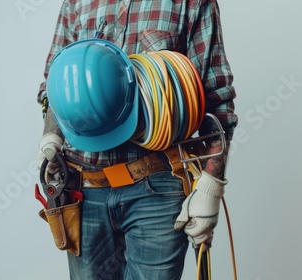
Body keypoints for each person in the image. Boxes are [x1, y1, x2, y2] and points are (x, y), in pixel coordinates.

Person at [36, 0, 238, 279]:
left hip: (157, 190)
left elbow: (217, 99)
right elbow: (53, 88)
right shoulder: (76, 3)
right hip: (84, 188)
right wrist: (50, 137)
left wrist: (211, 187)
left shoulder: (191, 3)